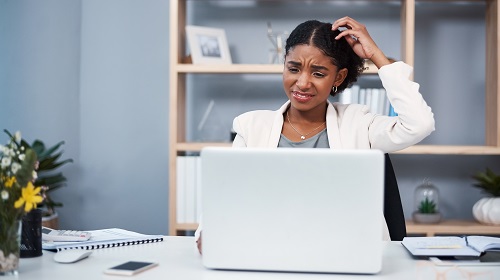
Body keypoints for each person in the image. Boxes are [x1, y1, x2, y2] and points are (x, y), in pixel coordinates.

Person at [195, 17, 435, 254]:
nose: (302, 83)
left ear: (338, 78)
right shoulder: (252, 126)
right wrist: (209, 231)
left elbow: (419, 124)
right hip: (271, 248)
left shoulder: (359, 123)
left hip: (345, 252)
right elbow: (226, 195)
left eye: (318, 73)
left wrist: (376, 56)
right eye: (293, 69)